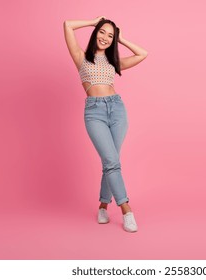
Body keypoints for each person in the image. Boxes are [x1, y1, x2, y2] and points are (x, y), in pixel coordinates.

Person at [63, 16, 148, 232]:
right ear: (95, 33)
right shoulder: (80, 56)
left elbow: (143, 54)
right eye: (102, 32)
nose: (105, 38)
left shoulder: (113, 62)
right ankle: (126, 210)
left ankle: (103, 205)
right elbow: (67, 25)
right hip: (95, 112)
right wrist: (93, 22)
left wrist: (121, 39)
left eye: (110, 36)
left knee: (111, 162)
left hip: (117, 110)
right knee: (111, 162)